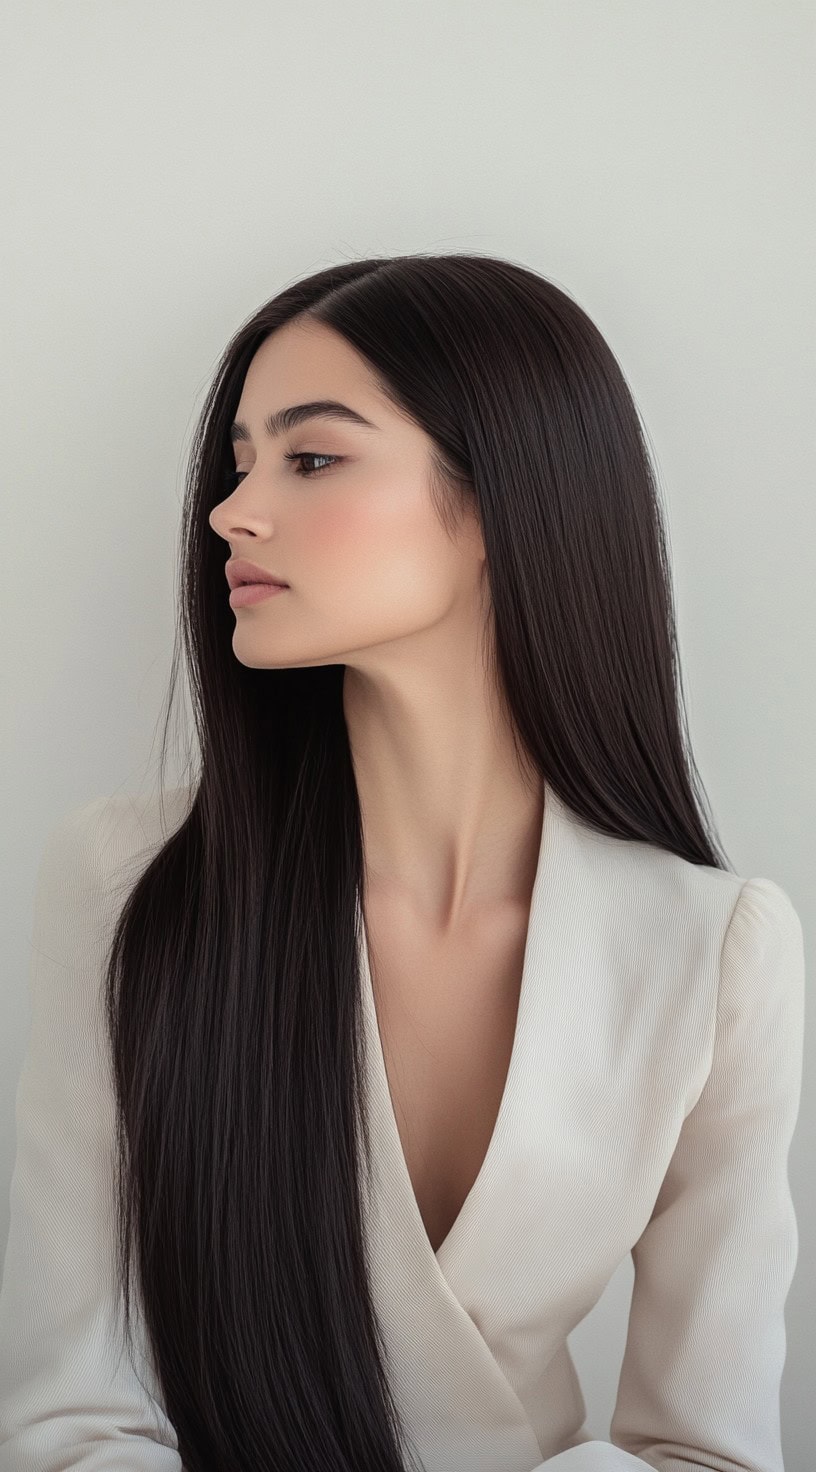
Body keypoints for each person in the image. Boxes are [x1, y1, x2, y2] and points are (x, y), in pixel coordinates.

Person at [0, 253, 805, 1472]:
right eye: (239, 464)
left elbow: (709, 1448)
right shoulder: (127, 881)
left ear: (499, 502)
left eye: (310, 457)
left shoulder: (714, 946)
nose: (232, 511)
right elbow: (68, 1420)